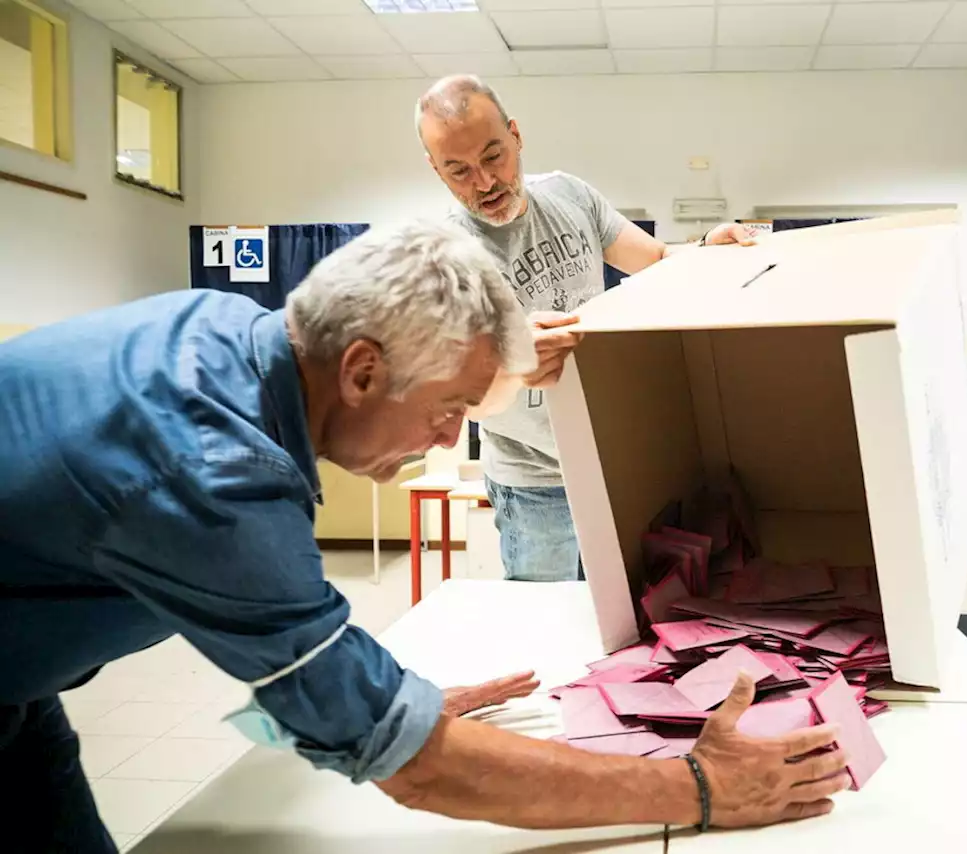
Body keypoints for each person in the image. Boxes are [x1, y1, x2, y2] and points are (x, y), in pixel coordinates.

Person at [0, 220, 848, 852]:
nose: (449, 441)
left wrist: (377, 697)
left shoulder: (233, 336)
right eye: (449, 409)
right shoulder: (213, 472)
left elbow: (271, 646)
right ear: (364, 369)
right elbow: (417, 770)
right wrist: (700, 787)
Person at [416, 74, 756, 583]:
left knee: (633, 618)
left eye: (493, 157)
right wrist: (511, 363)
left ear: (515, 135)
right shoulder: (444, 258)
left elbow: (658, 258)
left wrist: (706, 247)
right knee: (553, 626)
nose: (484, 183)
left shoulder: (569, 196)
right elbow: (466, 403)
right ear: (436, 170)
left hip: (614, 462)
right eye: (458, 171)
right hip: (535, 485)